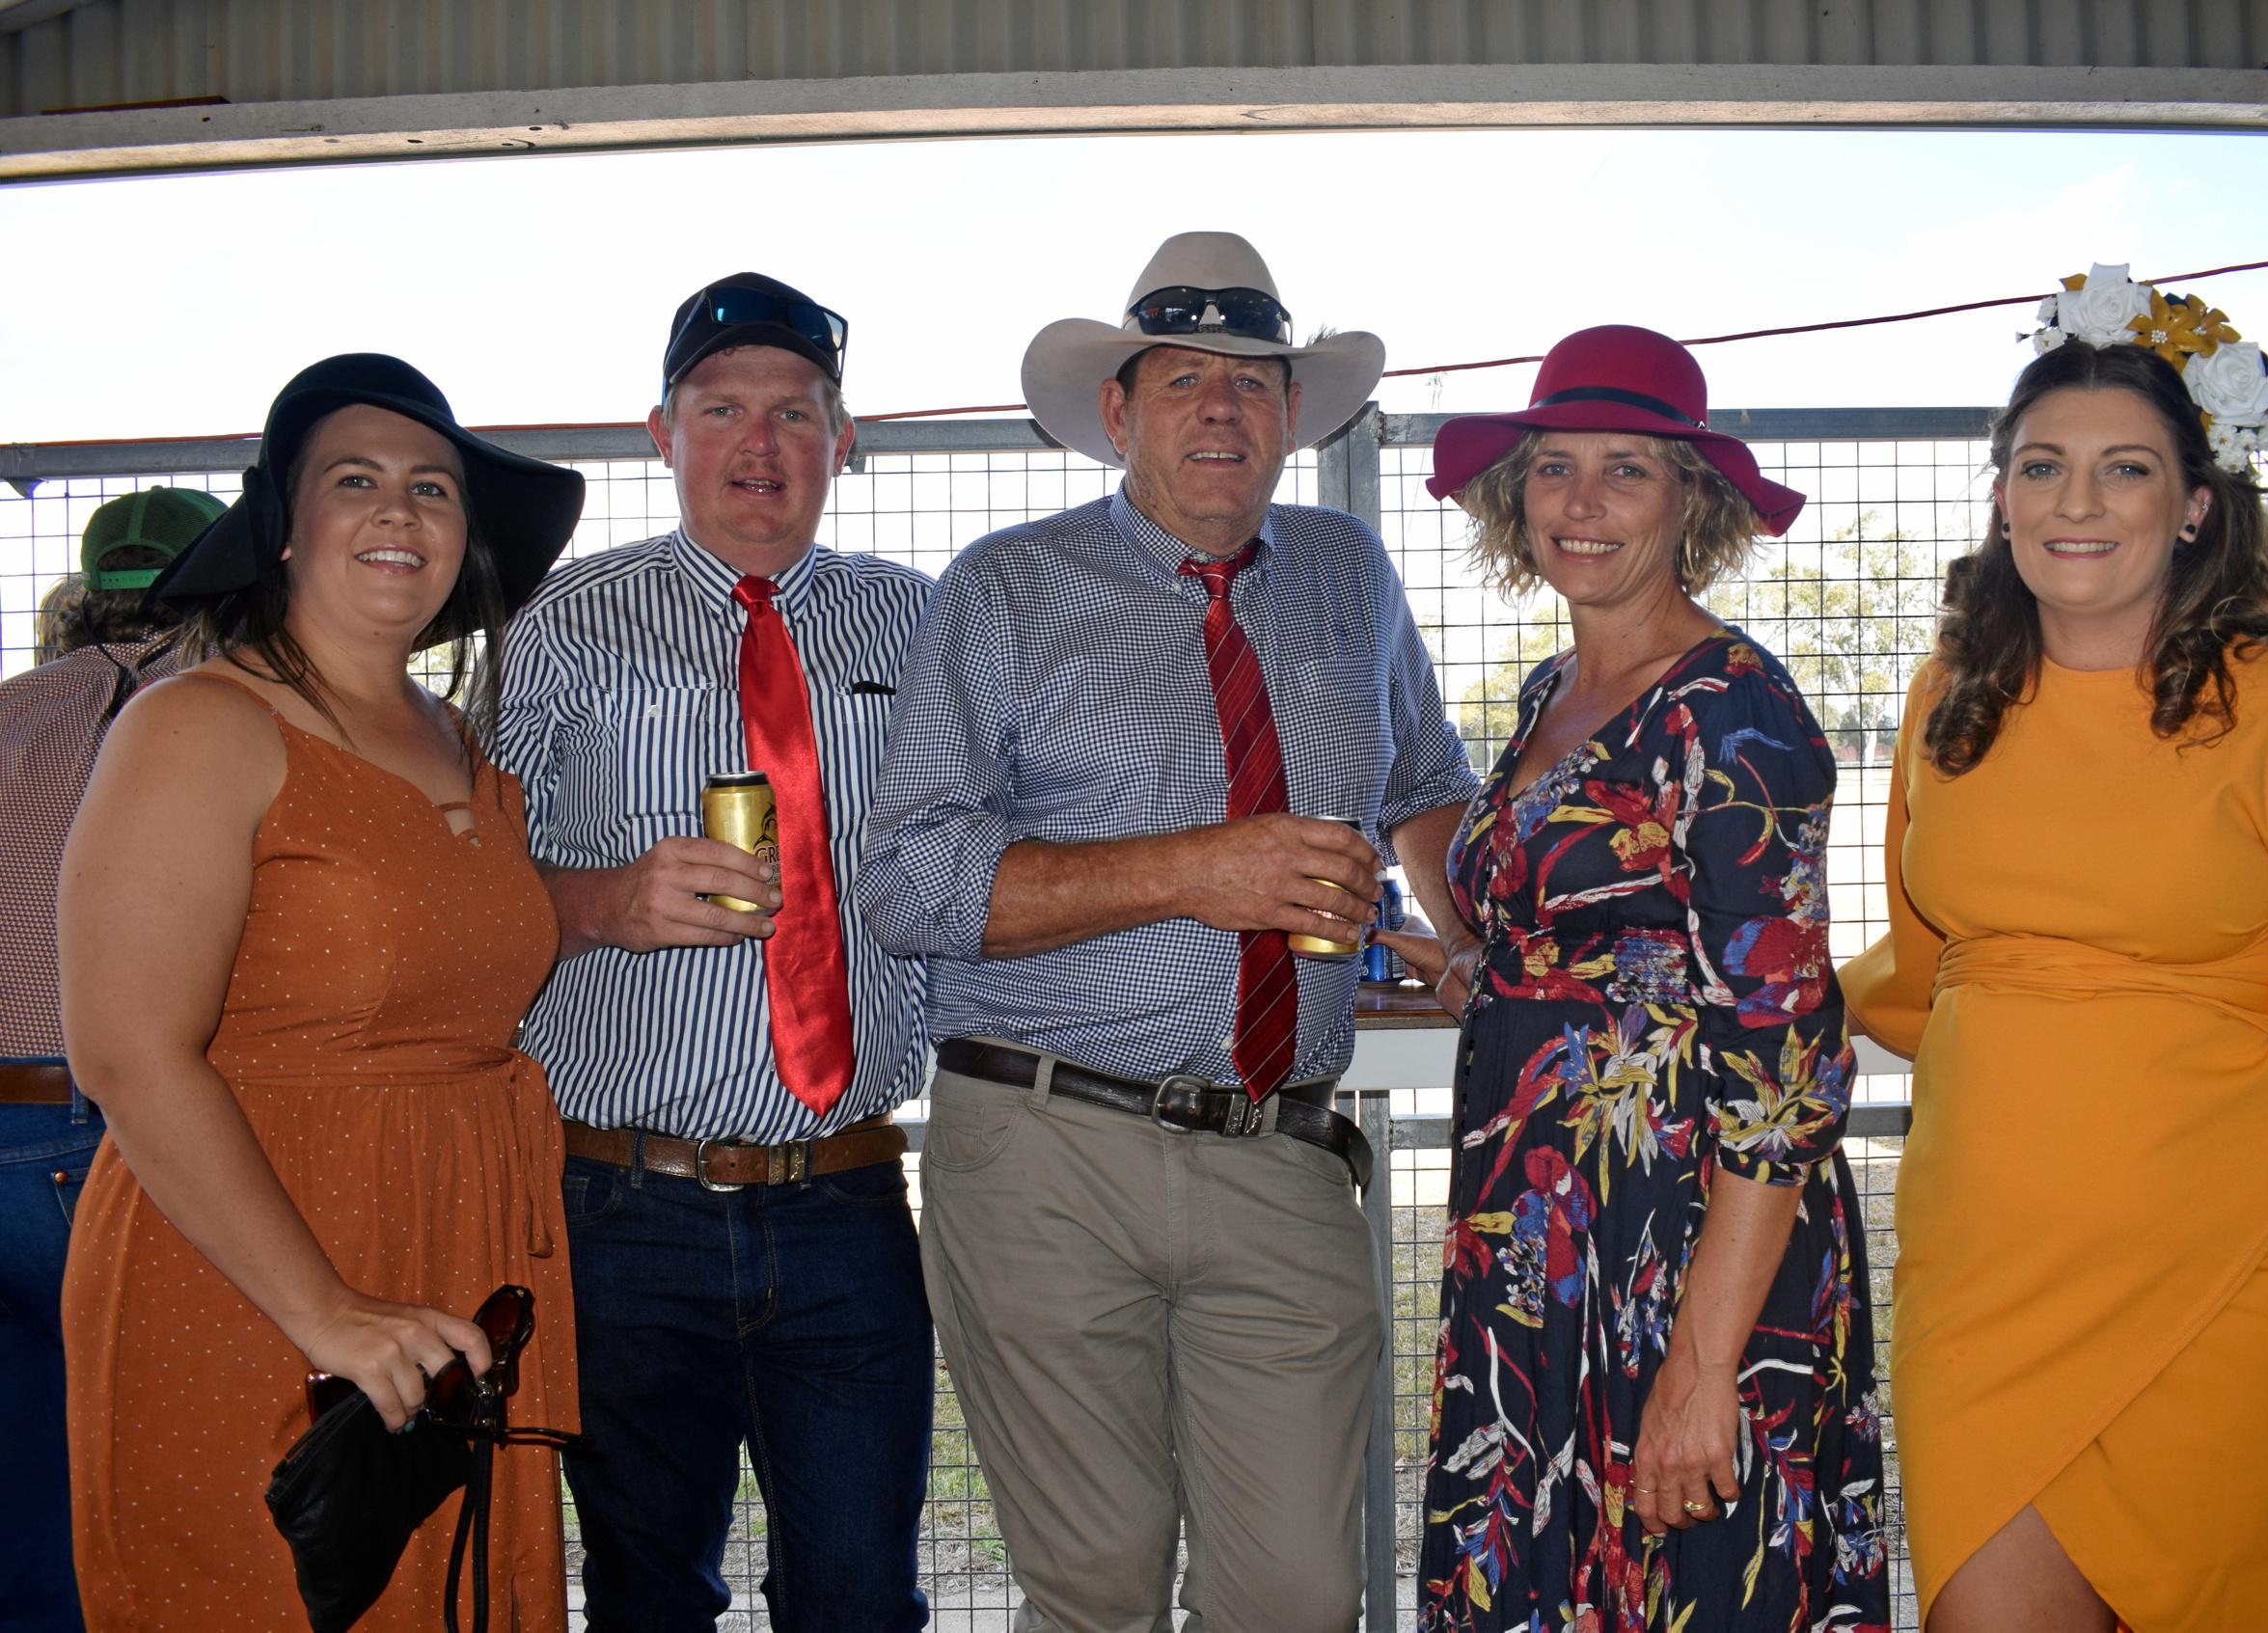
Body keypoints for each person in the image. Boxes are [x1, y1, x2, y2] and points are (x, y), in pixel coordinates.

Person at [859, 230, 1482, 1631]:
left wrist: (1470, 938)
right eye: (1182, 376)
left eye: (1251, 381)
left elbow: (1428, 786)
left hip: (1280, 1153)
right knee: (1097, 1583)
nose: (1219, 407)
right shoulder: (1005, 589)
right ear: (1115, 414)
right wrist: (1196, 872)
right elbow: (909, 880)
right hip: (1043, 1151)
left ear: (1288, 417)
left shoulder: (1347, 573)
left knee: (1303, 1594)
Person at [1841, 272, 2268, 1630]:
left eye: (2124, 469)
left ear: (2192, 505)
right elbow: (1932, 952)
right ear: (1998, 496)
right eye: (2041, 466)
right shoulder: (1948, 696)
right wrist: (1779, 1014)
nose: (2074, 500)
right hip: (1986, 1282)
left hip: (2252, 1283)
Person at [56, 355, 587, 1629]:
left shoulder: (458, 740)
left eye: (433, 488)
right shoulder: (201, 724)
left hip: (452, 1260)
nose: (400, 512)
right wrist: (327, 1310)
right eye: (355, 482)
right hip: (253, 1266)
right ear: (286, 527)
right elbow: (125, 1051)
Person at [1385, 326, 1889, 1631]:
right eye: (1554, 467)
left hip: (1683, 1246)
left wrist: (1699, 1367)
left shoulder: (1736, 711)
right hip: (1540, 1235)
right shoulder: (1560, 685)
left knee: (1691, 1586)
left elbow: (1785, 1066)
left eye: (1627, 469)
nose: (1583, 502)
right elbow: (1590, 953)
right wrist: (1471, 980)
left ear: (1691, 501)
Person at [494, 273, 936, 1631]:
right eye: (722, 408)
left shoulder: (921, 627)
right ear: (660, 432)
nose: (760, 443)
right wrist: (590, 902)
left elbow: (998, 851)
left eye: (795, 413)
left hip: (848, 1196)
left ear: (843, 441)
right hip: (623, 1207)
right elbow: (459, 885)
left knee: (861, 1600)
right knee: (644, 1595)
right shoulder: (559, 622)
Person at [1, 485, 224, 1632]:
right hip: (126, 1126)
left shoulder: (7, 711)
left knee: (26, 1495)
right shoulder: (216, 714)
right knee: (177, 1476)